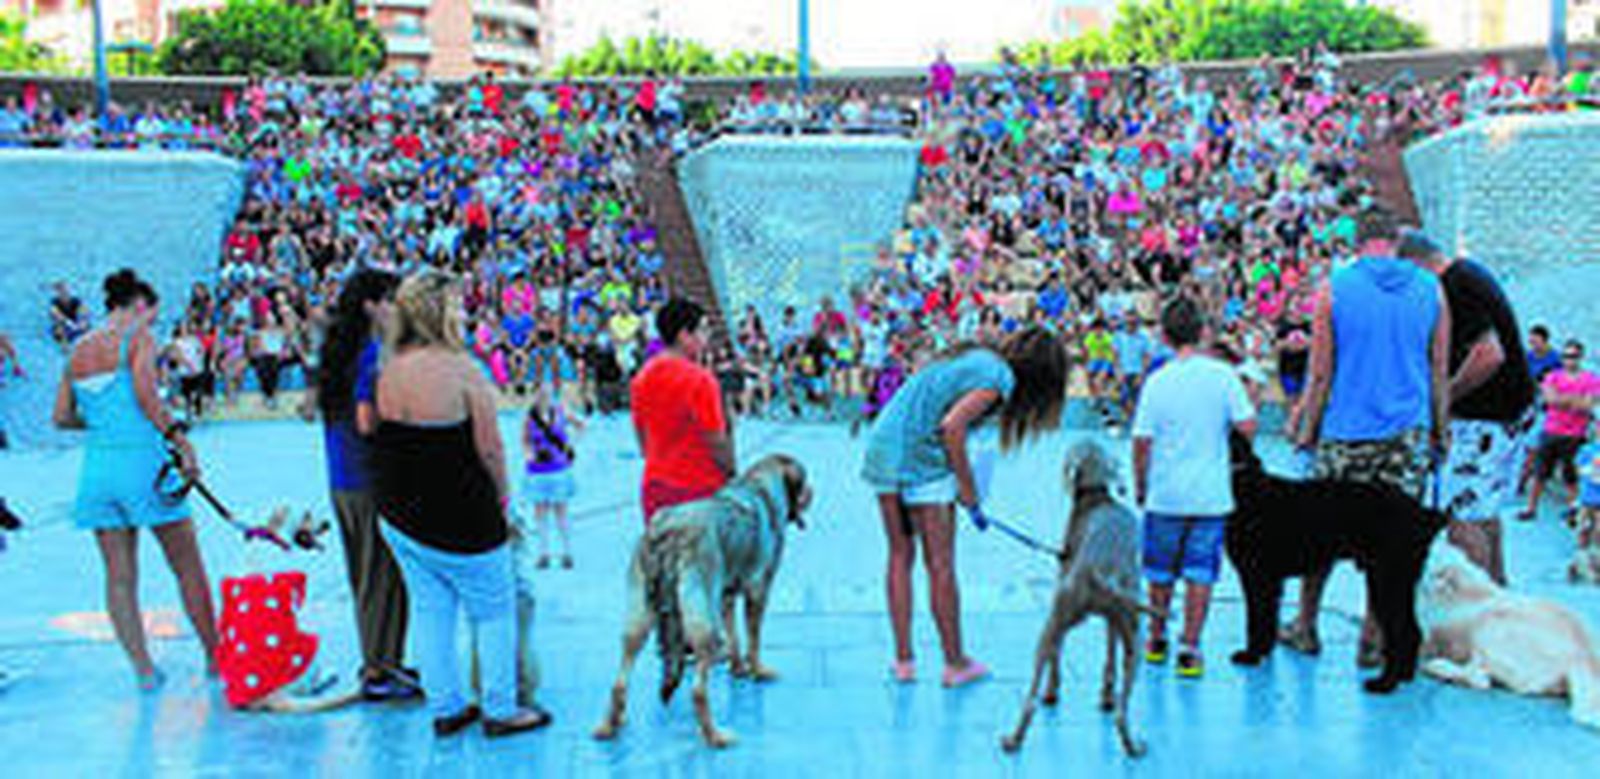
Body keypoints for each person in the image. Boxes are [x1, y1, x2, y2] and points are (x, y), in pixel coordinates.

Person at [370, 271, 552, 737]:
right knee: (494, 610)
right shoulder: (465, 371)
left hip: (401, 516)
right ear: (441, 313)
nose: (465, 312)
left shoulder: (388, 368)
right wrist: (504, 503)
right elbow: (490, 450)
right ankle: (500, 708)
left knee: (431, 611)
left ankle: (447, 707)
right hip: (462, 518)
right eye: (457, 305)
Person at [862, 327, 1068, 687]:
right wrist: (968, 490)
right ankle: (955, 663)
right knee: (940, 565)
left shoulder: (976, 358)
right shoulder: (999, 378)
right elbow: (952, 427)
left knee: (899, 554)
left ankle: (904, 661)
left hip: (884, 445)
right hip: (922, 458)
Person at [1287, 212, 1450, 667]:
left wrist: (1306, 430)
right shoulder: (1432, 290)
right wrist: (1441, 430)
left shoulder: (1334, 289)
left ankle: (1306, 625)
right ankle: (1373, 638)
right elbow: (1438, 371)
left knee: (1318, 535)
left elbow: (1320, 373)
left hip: (1344, 430)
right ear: (1395, 241)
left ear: (1357, 242)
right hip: (1407, 434)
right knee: (1392, 544)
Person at [52, 269, 220, 691]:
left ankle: (144, 670)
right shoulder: (138, 339)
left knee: (119, 576)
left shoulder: (77, 350)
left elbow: (61, 417)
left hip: (98, 471)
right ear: (139, 307)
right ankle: (215, 656)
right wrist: (180, 439)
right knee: (187, 566)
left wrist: (102, 422)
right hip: (144, 464)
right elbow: (147, 396)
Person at [1401, 229, 1536, 585]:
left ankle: (1481, 615)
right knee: (1484, 513)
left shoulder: (1454, 286)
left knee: (1461, 519)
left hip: (1483, 418)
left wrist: (1444, 398)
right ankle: (1501, 598)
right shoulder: (1469, 273)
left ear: (1414, 263)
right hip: (1504, 415)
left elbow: (1488, 355)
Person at [1133, 297, 1257, 679]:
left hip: (1165, 494)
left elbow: (1141, 442)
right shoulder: (1222, 376)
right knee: (1201, 573)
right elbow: (1248, 425)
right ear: (1203, 332)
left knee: (1159, 571)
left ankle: (1156, 638)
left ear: (1164, 336)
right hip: (1211, 494)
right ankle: (1190, 647)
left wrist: (1141, 485)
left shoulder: (1157, 381)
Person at [310, 268, 418, 701]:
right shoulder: (373, 353)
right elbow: (366, 419)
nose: (397, 309)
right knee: (383, 576)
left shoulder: (339, 350)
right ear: (373, 305)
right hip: (371, 478)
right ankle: (380, 669)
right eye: (391, 300)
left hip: (342, 479)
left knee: (365, 575)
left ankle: (382, 658)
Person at [629, 298, 735, 525]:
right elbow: (715, 441)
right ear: (684, 335)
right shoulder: (701, 380)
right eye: (703, 330)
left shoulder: (641, 378)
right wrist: (732, 473)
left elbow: (642, 441)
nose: (707, 338)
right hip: (698, 490)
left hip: (656, 489)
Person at [1520, 340, 1596, 520]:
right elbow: (1549, 399)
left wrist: (1562, 399)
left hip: (1575, 434)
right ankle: (1531, 508)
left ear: (1580, 357)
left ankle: (1573, 509)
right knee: (1540, 473)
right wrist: (1575, 400)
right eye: (1566, 356)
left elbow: (1587, 405)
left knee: (1571, 476)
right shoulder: (1553, 376)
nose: (1569, 360)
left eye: (1573, 356)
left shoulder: (1591, 379)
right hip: (1551, 430)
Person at [522, 383, 583, 569]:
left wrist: (570, 446)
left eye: (547, 394)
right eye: (540, 394)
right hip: (538, 470)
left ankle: (567, 552)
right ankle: (544, 553)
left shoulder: (561, 412)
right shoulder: (529, 417)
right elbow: (524, 441)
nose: (543, 397)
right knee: (540, 512)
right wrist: (530, 455)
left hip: (558, 468)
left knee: (561, 511)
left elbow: (580, 426)